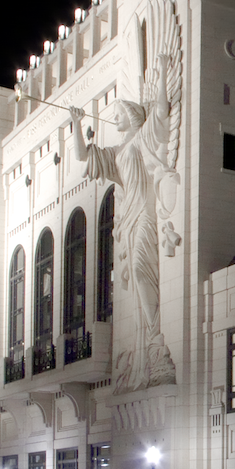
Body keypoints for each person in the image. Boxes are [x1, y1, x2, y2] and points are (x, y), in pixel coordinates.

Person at [69, 101, 176, 391]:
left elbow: (162, 112)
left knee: (142, 271)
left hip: (146, 213)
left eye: (118, 114)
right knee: (139, 272)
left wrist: (165, 67)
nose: (114, 118)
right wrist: (76, 124)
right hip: (128, 219)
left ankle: (155, 340)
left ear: (131, 116)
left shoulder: (142, 138)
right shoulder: (116, 153)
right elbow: (82, 154)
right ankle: (152, 345)